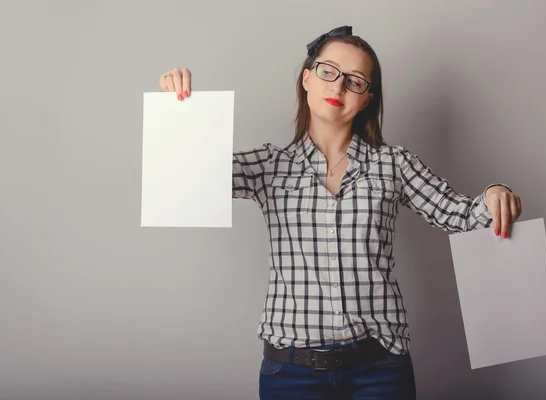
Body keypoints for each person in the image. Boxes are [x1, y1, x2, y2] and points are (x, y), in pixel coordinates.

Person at [157, 25, 522, 400]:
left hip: (380, 371)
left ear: (366, 99)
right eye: (328, 72)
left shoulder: (393, 164)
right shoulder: (269, 166)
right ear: (306, 78)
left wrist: (497, 192)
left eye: (355, 81)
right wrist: (178, 110)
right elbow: (187, 178)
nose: (338, 87)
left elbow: (462, 216)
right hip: (291, 372)